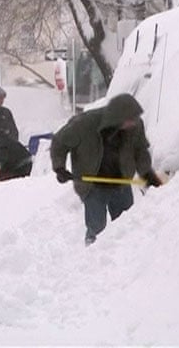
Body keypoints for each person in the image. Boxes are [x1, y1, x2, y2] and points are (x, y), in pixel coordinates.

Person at [50, 93, 162, 246]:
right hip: (92, 182)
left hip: (120, 181)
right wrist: (59, 167)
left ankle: (125, 255)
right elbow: (59, 142)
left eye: (135, 119)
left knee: (126, 224)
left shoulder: (135, 125)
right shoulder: (85, 124)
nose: (133, 123)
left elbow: (140, 151)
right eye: (130, 119)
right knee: (97, 227)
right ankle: (91, 254)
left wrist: (147, 174)